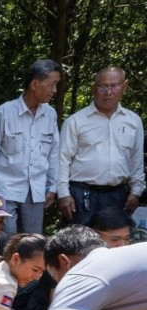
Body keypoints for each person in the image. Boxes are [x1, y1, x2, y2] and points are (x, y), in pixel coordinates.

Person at [14, 224, 143, 310]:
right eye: (115, 239)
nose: (121, 244)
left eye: (126, 239)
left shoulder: (95, 269)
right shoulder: (74, 268)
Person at [0, 59, 62, 235]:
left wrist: (53, 186)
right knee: (7, 238)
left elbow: (54, 153)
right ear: (35, 84)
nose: (55, 90)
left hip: (36, 190)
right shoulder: (5, 111)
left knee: (32, 241)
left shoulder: (50, 114)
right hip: (4, 189)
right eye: (52, 84)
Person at [57, 67, 145, 227]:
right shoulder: (76, 121)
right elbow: (62, 160)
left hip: (117, 195)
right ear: (94, 88)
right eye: (102, 86)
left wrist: (136, 191)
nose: (108, 92)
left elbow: (136, 160)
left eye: (114, 86)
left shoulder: (133, 121)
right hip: (82, 194)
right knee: (81, 240)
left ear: (124, 86)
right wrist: (63, 194)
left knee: (115, 238)